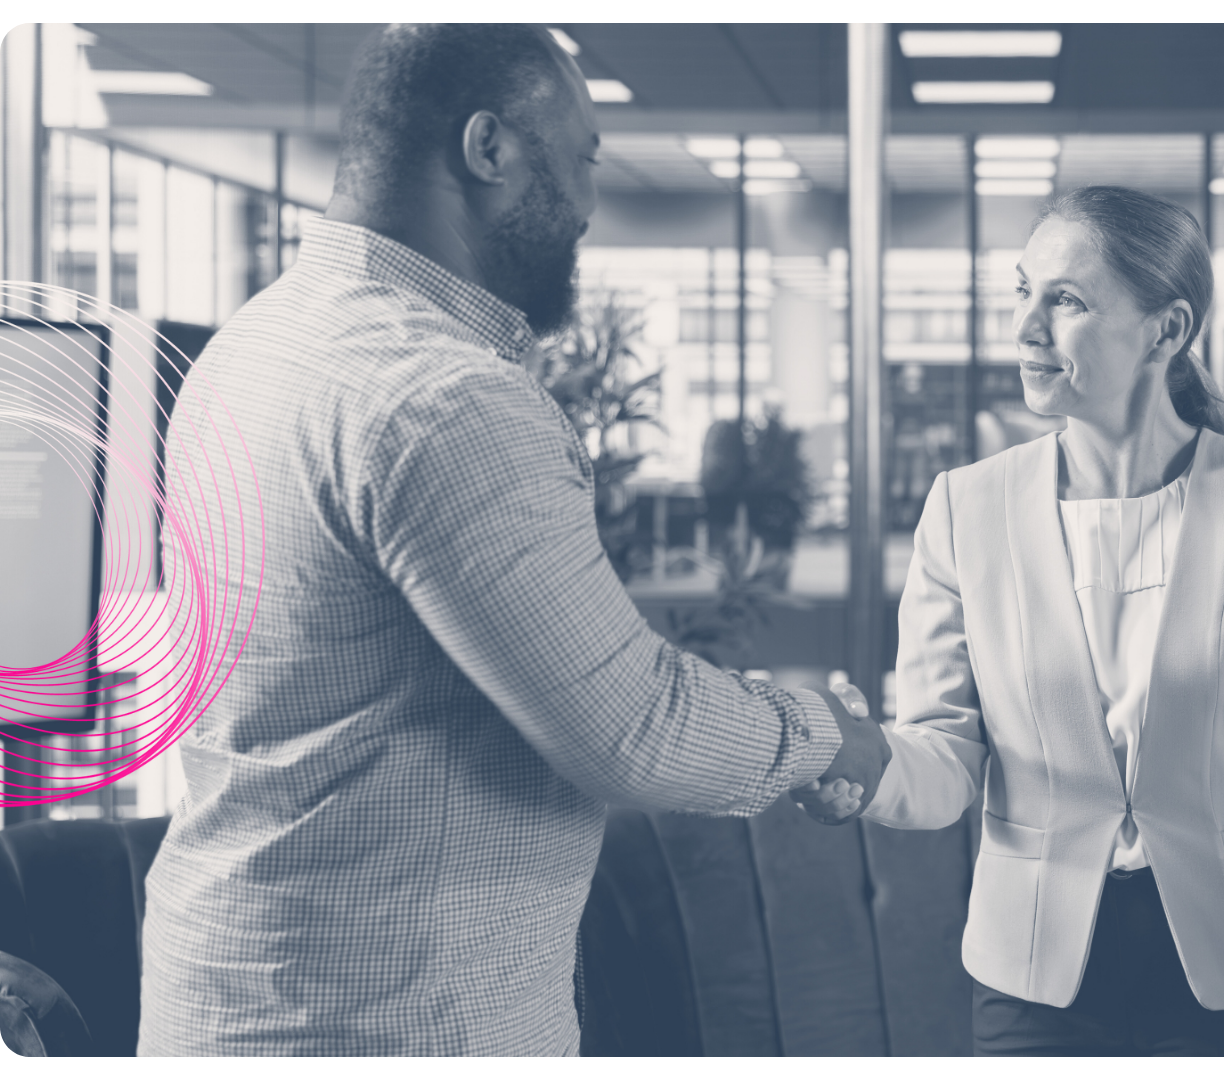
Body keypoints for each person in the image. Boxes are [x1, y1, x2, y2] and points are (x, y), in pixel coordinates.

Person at [138, 23, 885, 1056]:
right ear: (488, 148)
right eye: (579, 160)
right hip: (387, 1023)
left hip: (232, 996)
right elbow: (634, 726)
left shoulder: (254, 343)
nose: (587, 204)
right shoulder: (442, 398)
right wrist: (825, 733)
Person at [843, 186, 1224, 1056]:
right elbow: (945, 750)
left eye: (1065, 300)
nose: (1025, 327)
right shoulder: (963, 509)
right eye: (1022, 291)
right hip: (1036, 976)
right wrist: (867, 762)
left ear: (1166, 330)